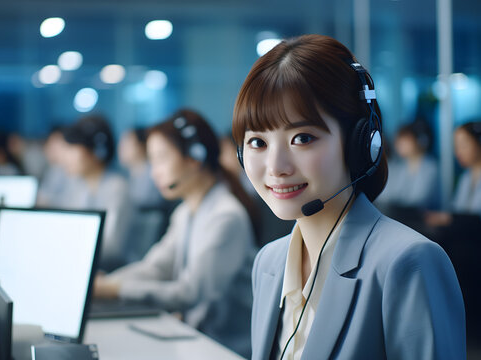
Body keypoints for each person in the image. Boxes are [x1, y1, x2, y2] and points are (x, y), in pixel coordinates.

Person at [232, 34, 465, 359]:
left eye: (302, 138)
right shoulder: (268, 263)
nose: (276, 167)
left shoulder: (408, 263)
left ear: (361, 143)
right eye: (258, 142)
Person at [94, 109, 256, 357]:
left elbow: (190, 292)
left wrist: (113, 289)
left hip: (225, 348)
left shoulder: (226, 216)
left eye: (161, 159)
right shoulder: (185, 212)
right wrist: (107, 283)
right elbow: (156, 267)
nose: (154, 171)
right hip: (194, 338)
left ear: (195, 157)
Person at [61, 114, 134, 271]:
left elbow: (112, 246)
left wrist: (65, 249)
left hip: (110, 273)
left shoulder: (117, 188)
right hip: (81, 266)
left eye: (72, 149)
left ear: (97, 151)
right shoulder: (79, 187)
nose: (65, 157)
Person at [376, 121, 440, 210]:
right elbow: (387, 195)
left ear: (419, 140)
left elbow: (419, 200)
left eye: (405, 140)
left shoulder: (430, 167)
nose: (399, 145)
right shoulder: (401, 166)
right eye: (399, 141)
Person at [117, 127, 166, 209]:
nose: (121, 149)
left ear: (142, 146)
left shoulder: (153, 174)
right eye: (121, 144)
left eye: (127, 144)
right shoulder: (128, 176)